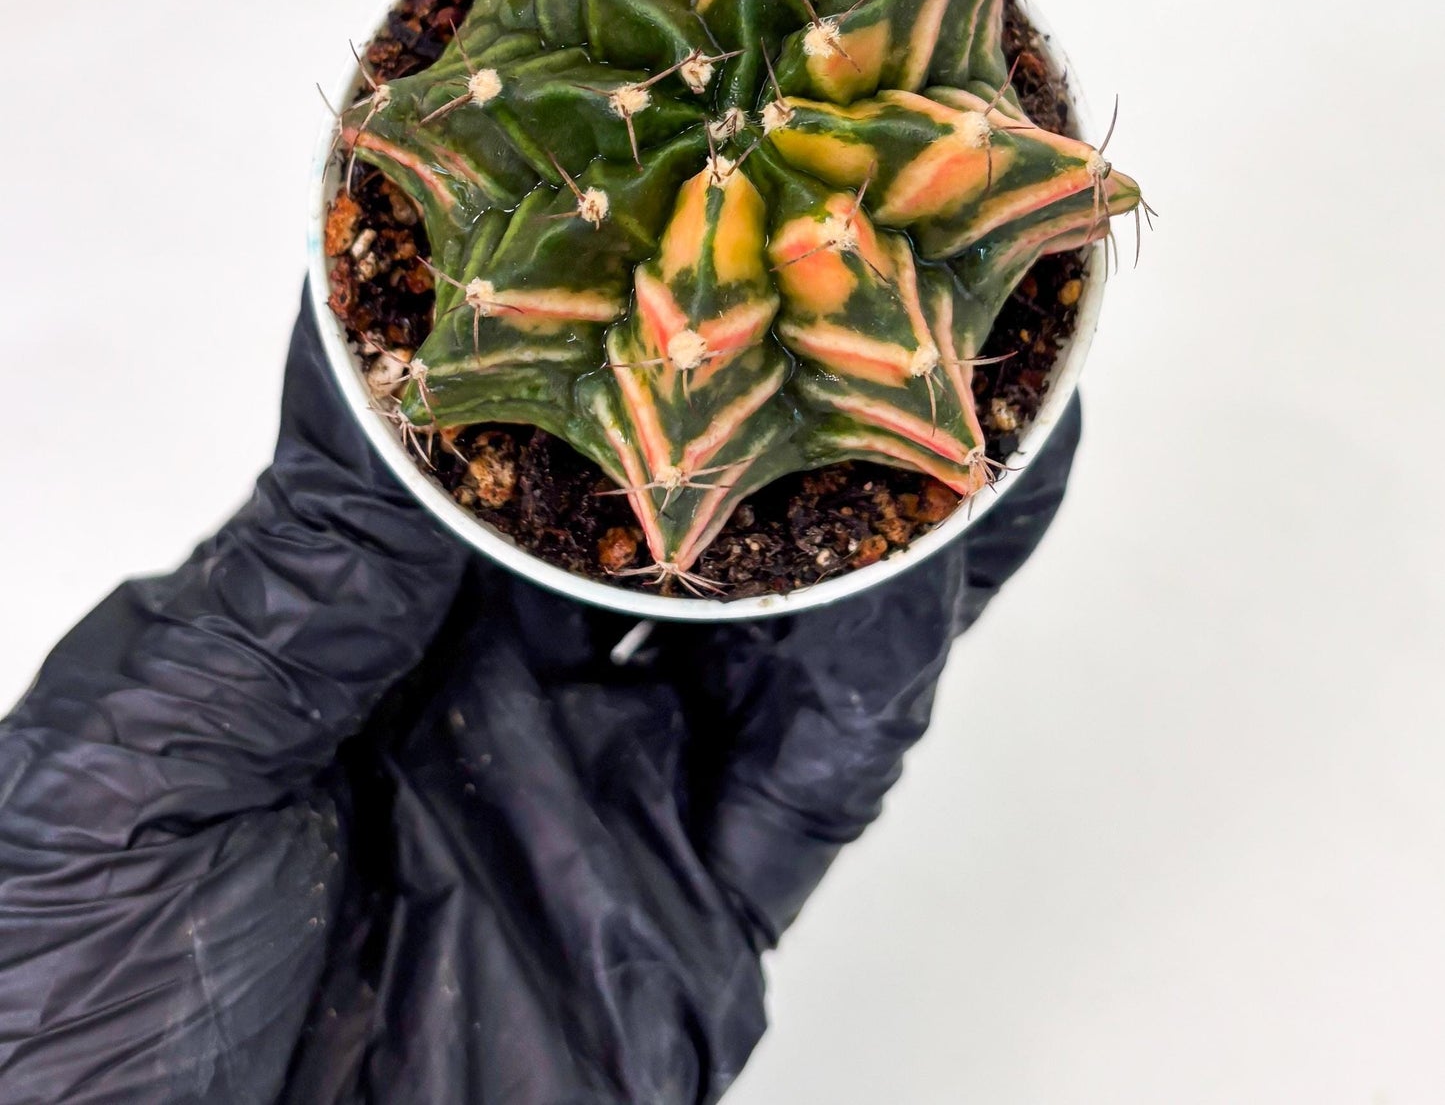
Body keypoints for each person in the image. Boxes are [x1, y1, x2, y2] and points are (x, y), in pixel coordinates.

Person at [0, 303, 1080, 1103]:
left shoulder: (73, 999)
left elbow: (325, 574)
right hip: (627, 973)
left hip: (98, 1003)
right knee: (867, 592)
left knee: (352, 552)